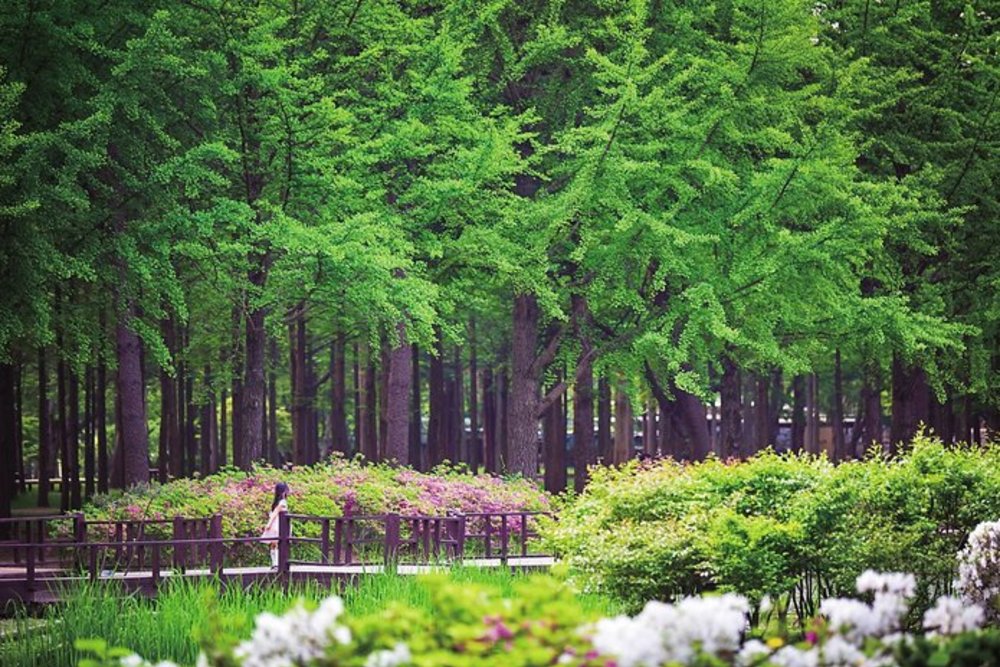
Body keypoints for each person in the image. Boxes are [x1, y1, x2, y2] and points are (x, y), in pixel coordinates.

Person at [262, 482, 290, 570]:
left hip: (275, 523)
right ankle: (277, 563)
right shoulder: (282, 502)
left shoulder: (277, 502)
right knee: (277, 543)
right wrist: (269, 524)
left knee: (274, 544)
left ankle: (275, 563)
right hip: (278, 524)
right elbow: (275, 513)